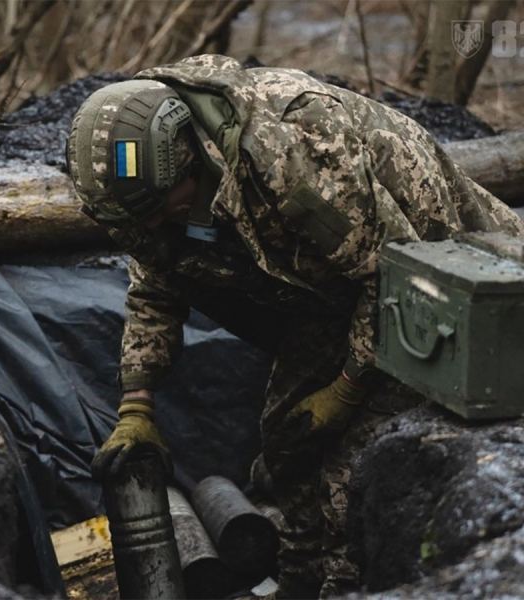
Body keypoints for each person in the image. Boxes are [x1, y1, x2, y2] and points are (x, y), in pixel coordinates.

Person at [65, 54, 524, 598]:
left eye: (161, 212)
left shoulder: (295, 150)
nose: (151, 228)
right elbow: (155, 286)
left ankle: (352, 581)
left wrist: (346, 390)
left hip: (439, 280)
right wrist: (136, 404)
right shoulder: (147, 196)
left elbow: (392, 274)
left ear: (189, 161)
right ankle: (303, 577)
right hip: (329, 293)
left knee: (355, 468)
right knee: (288, 442)